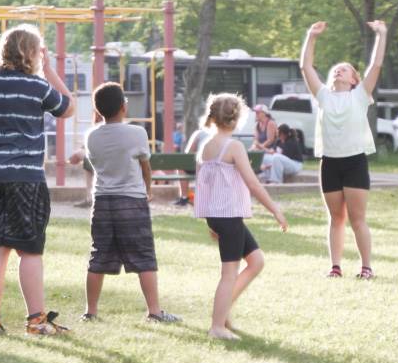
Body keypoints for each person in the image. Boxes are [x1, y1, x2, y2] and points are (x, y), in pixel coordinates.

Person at [0, 24, 76, 336]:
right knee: (29, 249)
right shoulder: (37, 87)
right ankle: (36, 319)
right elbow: (68, 108)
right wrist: (49, 70)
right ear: (33, 54)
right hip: (25, 177)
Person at [83, 81, 181, 324]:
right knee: (144, 256)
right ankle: (154, 312)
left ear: (97, 110)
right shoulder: (137, 133)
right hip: (131, 200)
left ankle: (91, 311)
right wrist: (147, 190)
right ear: (123, 107)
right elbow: (145, 167)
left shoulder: (91, 135)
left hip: (102, 201)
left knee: (98, 256)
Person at [195, 94, 288, 339]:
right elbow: (254, 185)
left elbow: (203, 185)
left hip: (219, 216)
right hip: (228, 217)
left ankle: (222, 313)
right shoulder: (234, 147)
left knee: (256, 261)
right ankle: (217, 326)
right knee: (229, 273)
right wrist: (275, 210)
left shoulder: (206, 146)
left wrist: (208, 219)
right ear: (236, 120)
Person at [300, 19, 387, 279]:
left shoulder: (360, 95)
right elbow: (305, 66)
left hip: (354, 162)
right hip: (330, 162)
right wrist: (311, 36)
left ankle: (366, 267)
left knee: (357, 218)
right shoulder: (324, 95)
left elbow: (376, 65)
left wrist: (381, 34)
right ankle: (335, 267)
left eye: (345, 70)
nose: (339, 71)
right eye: (336, 69)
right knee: (336, 218)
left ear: (354, 80)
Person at [175, 125, 212, 206]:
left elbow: (188, 153)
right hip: (219, 168)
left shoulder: (199, 133)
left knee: (181, 166)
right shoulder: (225, 135)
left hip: (202, 166)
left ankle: (184, 197)